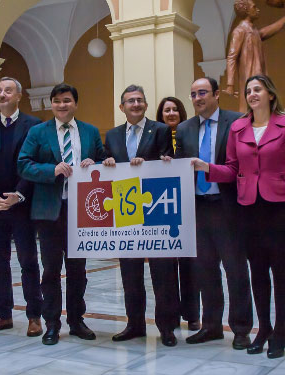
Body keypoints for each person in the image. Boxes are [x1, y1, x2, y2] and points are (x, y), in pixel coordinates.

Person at [193, 74, 285, 359]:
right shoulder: (238, 127)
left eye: (257, 89)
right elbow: (231, 170)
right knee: (257, 272)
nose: (252, 94)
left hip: (279, 208)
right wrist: (206, 167)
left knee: (280, 272)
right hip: (247, 209)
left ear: (270, 93)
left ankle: (280, 331)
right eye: (248, 90)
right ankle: (264, 329)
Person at [17, 83, 106, 345]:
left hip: (82, 211)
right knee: (51, 270)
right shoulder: (38, 131)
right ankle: (52, 324)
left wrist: (96, 163)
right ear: (52, 104)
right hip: (49, 211)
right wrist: (51, 170)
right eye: (56, 101)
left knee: (78, 269)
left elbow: (104, 160)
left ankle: (77, 320)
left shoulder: (89, 131)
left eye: (67, 100)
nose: (61, 105)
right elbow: (23, 164)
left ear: (75, 104)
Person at [174, 78, 253, 348]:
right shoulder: (184, 129)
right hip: (198, 207)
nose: (197, 98)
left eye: (203, 93)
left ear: (217, 94)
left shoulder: (237, 122)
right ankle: (211, 326)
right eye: (193, 94)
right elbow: (180, 166)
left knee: (235, 269)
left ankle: (241, 329)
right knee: (205, 270)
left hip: (228, 205)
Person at [104, 85, 179, 347]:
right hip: (126, 209)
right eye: (130, 101)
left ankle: (167, 327)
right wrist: (107, 163)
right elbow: (106, 162)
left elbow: (168, 159)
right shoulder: (112, 135)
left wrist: (152, 163)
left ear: (146, 105)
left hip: (155, 206)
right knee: (130, 271)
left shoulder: (160, 130)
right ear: (121, 107)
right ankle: (134, 324)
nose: (135, 104)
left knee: (163, 271)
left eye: (139, 100)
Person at [0, 77, 43, 337]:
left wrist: (19, 194)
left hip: (22, 206)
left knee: (28, 261)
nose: (2, 94)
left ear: (18, 96)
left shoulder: (34, 125)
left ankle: (35, 315)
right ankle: (1, 314)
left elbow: (35, 162)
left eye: (8, 90)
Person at [157, 96, 200, 332]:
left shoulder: (191, 134)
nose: (171, 113)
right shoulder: (155, 136)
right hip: (162, 207)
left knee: (190, 263)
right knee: (165, 266)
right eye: (166, 110)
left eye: (175, 109)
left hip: (191, 204)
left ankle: (193, 314)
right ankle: (170, 314)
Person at [224, 0, 285, 112]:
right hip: (250, 76)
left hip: (260, 74)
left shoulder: (253, 31)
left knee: (264, 102)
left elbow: (270, 29)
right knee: (250, 105)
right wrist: (230, 85)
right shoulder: (240, 31)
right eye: (254, 7)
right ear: (246, 10)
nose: (258, 10)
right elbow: (232, 57)